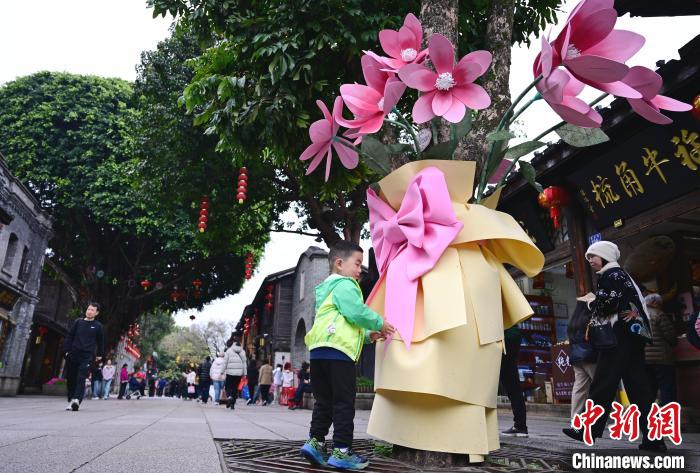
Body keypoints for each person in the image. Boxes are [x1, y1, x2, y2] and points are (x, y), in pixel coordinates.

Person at [299, 240, 394, 469]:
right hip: (339, 353)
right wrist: (379, 323)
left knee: (323, 401)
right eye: (357, 263)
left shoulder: (326, 290)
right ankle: (342, 451)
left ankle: (316, 442)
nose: (360, 269)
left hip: (318, 352)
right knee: (343, 403)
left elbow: (344, 322)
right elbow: (356, 312)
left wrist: (368, 335)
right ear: (340, 264)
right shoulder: (346, 284)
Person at [563, 241, 666, 452]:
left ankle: (587, 429)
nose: (590, 260)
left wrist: (592, 303)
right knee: (640, 389)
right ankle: (654, 439)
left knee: (603, 383)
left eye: (593, 256)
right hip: (634, 337)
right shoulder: (623, 276)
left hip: (618, 337)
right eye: (588, 257)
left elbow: (607, 305)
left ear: (605, 256)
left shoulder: (610, 275)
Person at [63, 302, 105, 411]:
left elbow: (100, 341)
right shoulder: (78, 322)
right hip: (73, 354)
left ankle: (76, 400)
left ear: (96, 313)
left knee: (81, 377)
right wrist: (66, 351)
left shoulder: (98, 326)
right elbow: (70, 336)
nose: (89, 311)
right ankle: (71, 398)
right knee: (71, 378)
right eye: (88, 309)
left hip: (87, 355)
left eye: (92, 310)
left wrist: (99, 354)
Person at [644, 293, 677, 405]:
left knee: (650, 388)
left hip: (645, 359)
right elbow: (670, 336)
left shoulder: (638, 315)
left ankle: (650, 412)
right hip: (662, 358)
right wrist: (674, 342)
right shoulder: (659, 314)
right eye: (659, 303)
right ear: (654, 303)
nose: (660, 306)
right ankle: (668, 412)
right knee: (667, 387)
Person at [568, 298, 597, 418]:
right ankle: (600, 417)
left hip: (576, 358)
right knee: (600, 386)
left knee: (579, 389)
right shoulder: (589, 319)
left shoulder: (573, 321)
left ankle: (575, 418)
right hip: (590, 357)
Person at [499, 326, 528, 437]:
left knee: (510, 384)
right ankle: (520, 425)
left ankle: (520, 426)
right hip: (511, 335)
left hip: (503, 337)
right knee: (513, 384)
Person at [223, 336, 247, 409]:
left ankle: (229, 397)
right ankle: (232, 404)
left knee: (228, 386)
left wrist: (222, 371)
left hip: (230, 373)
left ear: (233, 343)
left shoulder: (229, 351)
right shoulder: (243, 351)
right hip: (239, 373)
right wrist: (245, 374)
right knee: (235, 388)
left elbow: (225, 362)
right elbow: (244, 363)